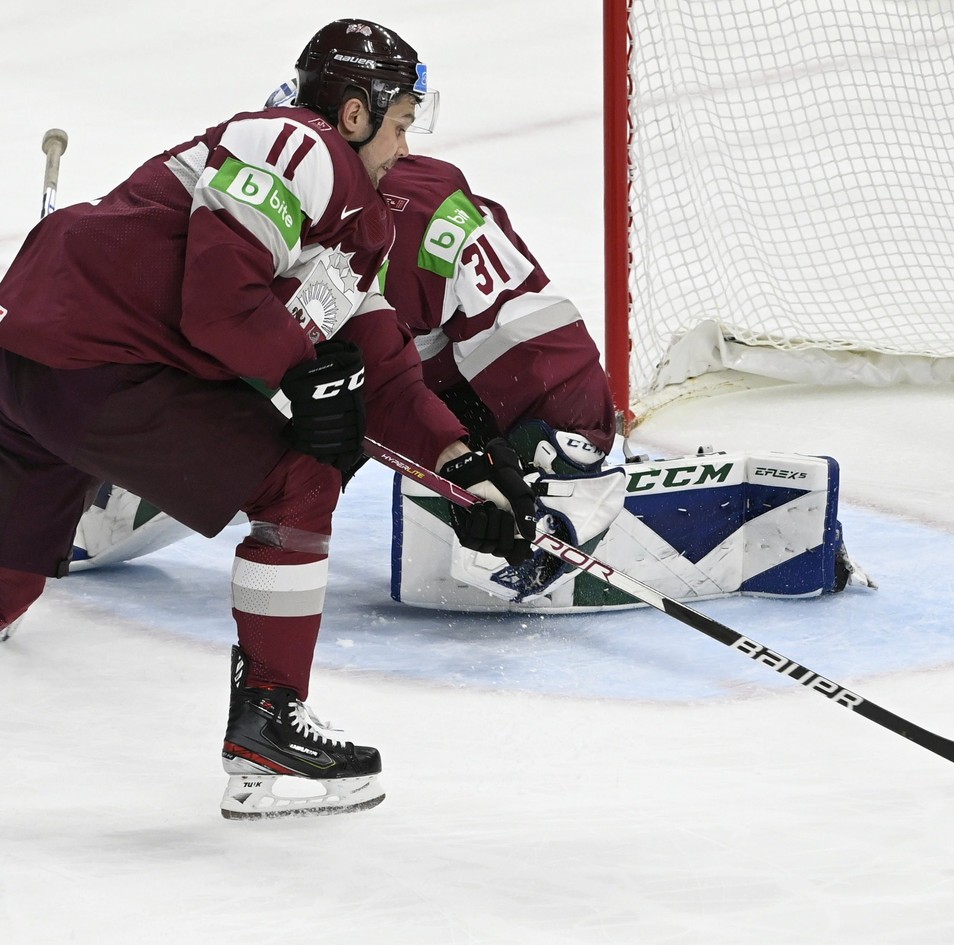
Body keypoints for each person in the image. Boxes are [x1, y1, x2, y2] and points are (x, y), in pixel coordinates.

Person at [0, 18, 540, 820]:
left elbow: (381, 363)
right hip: (97, 361)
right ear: (354, 112)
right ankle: (269, 727)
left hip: (31, 361)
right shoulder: (299, 146)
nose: (404, 146)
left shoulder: (361, 224)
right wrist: (304, 374)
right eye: (399, 123)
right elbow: (221, 311)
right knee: (300, 480)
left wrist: (467, 468)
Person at [68, 149, 870, 611]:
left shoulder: (367, 216)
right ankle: (92, 495)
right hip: (526, 396)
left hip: (534, 424)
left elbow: (321, 351)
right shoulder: (405, 188)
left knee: (484, 558)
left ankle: (91, 500)